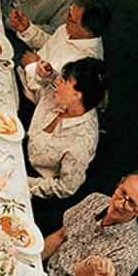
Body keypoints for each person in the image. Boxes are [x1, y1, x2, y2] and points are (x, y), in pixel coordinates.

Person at [41, 172, 138, 276]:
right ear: (120, 183)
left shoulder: (129, 252)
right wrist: (32, 262)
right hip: (44, 271)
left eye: (131, 202)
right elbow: (60, 235)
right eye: (122, 192)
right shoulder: (96, 200)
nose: (119, 204)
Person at [25, 61, 108, 204]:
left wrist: (25, 182)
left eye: (63, 81)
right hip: (17, 147)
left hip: (33, 182)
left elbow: (65, 188)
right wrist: (46, 73)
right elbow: (47, 79)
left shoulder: (82, 142)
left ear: (77, 95)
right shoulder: (64, 94)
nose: (57, 82)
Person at [17, 0, 109, 101]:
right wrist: (27, 29)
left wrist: (32, 66)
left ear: (87, 32)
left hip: (28, 100)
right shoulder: (68, 30)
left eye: (71, 19)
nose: (66, 19)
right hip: (20, 72)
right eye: (69, 13)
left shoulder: (86, 65)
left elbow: (53, 100)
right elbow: (50, 44)